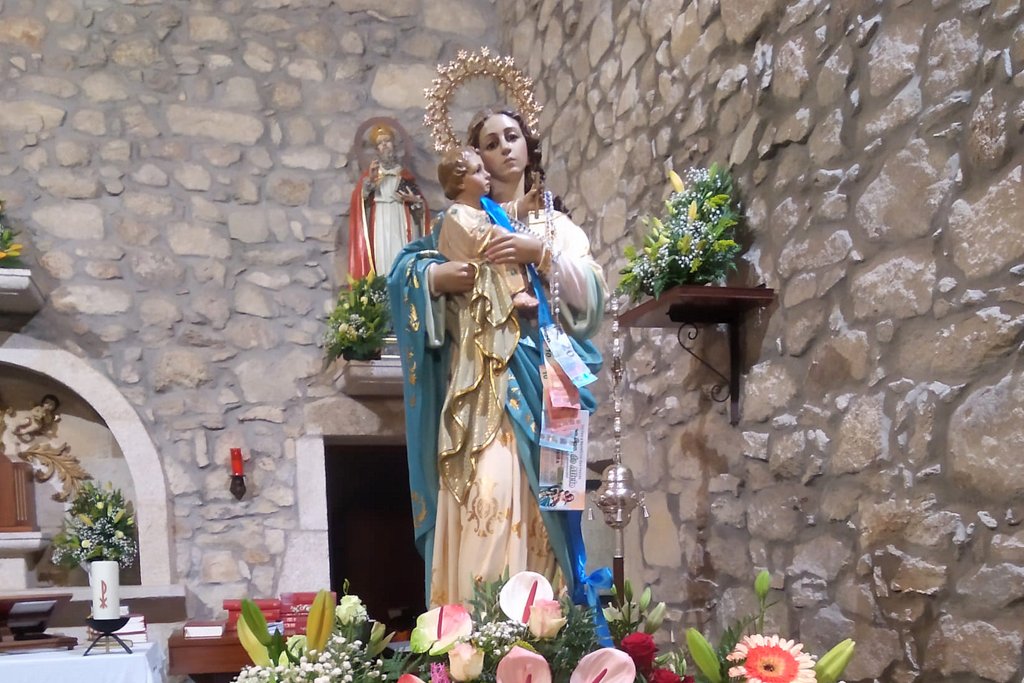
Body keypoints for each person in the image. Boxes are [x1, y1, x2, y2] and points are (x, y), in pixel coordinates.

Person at [389, 108, 606, 608]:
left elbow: (591, 299)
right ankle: (477, 632)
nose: (505, 147)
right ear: (475, 162)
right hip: (479, 386)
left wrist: (540, 253)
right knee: (484, 496)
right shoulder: (457, 222)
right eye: (490, 143)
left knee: (550, 512)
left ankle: (546, 628)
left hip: (545, 386)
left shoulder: (553, 226)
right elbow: (404, 276)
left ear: (528, 147)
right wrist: (435, 279)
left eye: (512, 136)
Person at [349, 124, 427, 279]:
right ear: (376, 149)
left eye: (387, 141)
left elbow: (420, 209)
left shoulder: (404, 176)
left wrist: (414, 201)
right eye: (380, 143)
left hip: (400, 219)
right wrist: (370, 182)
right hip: (380, 221)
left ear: (394, 145)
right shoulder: (372, 175)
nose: (384, 145)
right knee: (382, 257)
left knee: (401, 253)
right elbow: (360, 201)